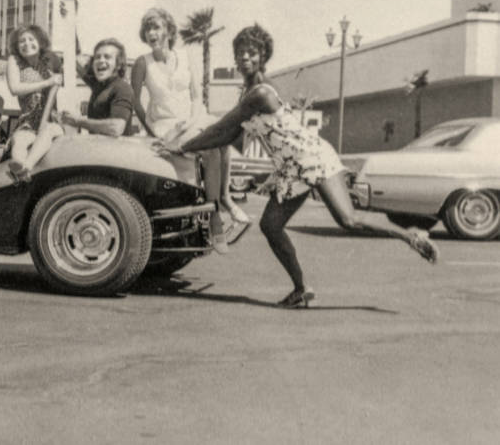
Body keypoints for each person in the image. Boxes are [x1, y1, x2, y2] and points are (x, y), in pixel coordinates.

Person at [162, 24, 439, 308]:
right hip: (291, 167)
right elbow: (231, 135)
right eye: (240, 52)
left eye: (252, 52)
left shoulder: (260, 93)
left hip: (311, 157)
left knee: (348, 219)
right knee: (271, 226)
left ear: (263, 56)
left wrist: (183, 147)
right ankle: (301, 289)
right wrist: (199, 147)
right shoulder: (247, 94)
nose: (245, 57)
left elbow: (223, 127)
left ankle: (410, 236)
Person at [130, 8, 249, 249]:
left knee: (224, 138)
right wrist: (152, 132)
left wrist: (195, 120)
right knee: (212, 150)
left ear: (168, 31)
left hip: (193, 119)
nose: (152, 32)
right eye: (148, 28)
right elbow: (135, 103)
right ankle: (215, 218)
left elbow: (197, 96)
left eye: (157, 27)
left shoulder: (185, 56)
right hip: (164, 126)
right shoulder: (143, 63)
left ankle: (224, 197)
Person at [5, 24, 65, 183]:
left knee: (48, 132)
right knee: (19, 140)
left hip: (50, 119)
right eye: (22, 41)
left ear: (40, 42)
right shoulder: (14, 61)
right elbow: (15, 88)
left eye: (31, 39)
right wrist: (47, 82)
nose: (26, 44)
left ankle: (26, 167)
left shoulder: (50, 60)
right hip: (28, 120)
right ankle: (18, 166)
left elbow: (71, 59)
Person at [60, 38, 135, 137]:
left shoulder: (122, 88)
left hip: (117, 149)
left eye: (107, 57)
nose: (101, 60)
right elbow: (79, 68)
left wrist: (78, 121)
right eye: (97, 57)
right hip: (98, 146)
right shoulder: (98, 85)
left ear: (118, 65)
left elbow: (116, 128)